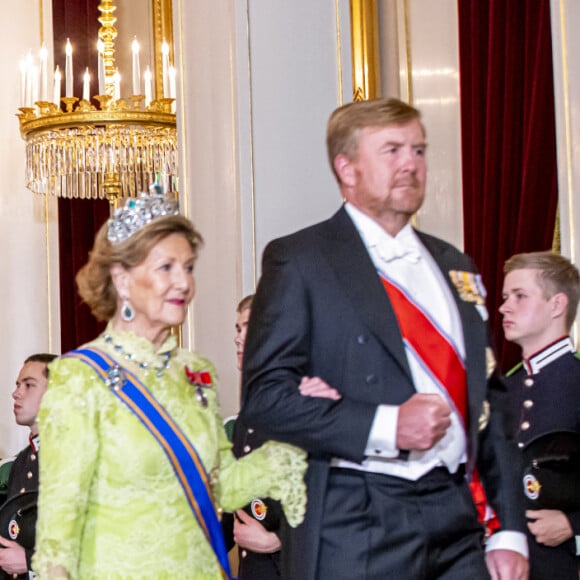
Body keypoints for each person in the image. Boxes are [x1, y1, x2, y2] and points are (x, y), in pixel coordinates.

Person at [241, 97, 529, 580]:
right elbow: (265, 399)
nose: (410, 164)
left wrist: (509, 529)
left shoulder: (454, 264)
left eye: (418, 150)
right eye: (391, 150)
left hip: (457, 513)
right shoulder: (303, 259)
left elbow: (490, 406)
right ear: (346, 167)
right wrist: (384, 426)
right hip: (358, 514)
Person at [32, 188, 307, 579]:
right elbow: (58, 533)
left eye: (189, 267)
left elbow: (224, 485)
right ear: (122, 279)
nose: (183, 283)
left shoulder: (197, 372)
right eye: (166, 268)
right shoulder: (79, 378)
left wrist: (301, 435)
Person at [500, 251, 580, 579]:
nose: (505, 306)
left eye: (520, 296)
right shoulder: (502, 389)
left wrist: (573, 525)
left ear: (557, 305)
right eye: (505, 297)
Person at [230, 294, 283, 579]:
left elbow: (332, 502)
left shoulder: (300, 413)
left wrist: (278, 542)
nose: (239, 338)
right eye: (237, 329)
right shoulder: (245, 421)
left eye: (247, 327)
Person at [0, 353, 57, 580]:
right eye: (17, 385)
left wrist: (31, 562)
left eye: (29, 385)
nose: (16, 393)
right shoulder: (22, 461)